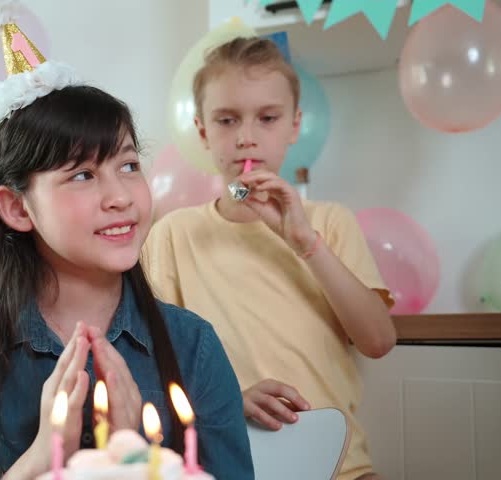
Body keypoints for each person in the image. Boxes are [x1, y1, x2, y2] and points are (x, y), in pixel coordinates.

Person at [0, 8, 253, 480]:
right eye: (82, 175)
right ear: (16, 208)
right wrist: (42, 456)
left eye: (129, 165)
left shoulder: (192, 345)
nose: (120, 197)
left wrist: (134, 454)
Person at [142, 36, 396, 480]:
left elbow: (377, 341)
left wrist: (306, 244)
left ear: (294, 126)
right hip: (223, 465)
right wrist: (224, 398)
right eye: (226, 120)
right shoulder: (172, 237)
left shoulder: (331, 224)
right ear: (202, 130)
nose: (245, 137)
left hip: (342, 468)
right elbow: (152, 363)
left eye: (267, 118)